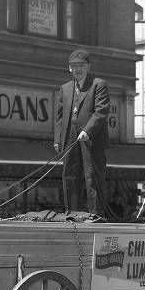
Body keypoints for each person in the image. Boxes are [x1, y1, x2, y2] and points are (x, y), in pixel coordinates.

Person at [53, 49, 111, 218]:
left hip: (91, 138)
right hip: (70, 137)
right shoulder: (65, 88)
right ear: (69, 68)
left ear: (88, 67)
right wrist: (58, 139)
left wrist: (88, 130)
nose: (77, 69)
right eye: (74, 66)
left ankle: (95, 215)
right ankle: (72, 213)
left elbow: (101, 111)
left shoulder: (98, 84)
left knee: (91, 176)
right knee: (69, 176)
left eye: (81, 66)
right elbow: (59, 117)